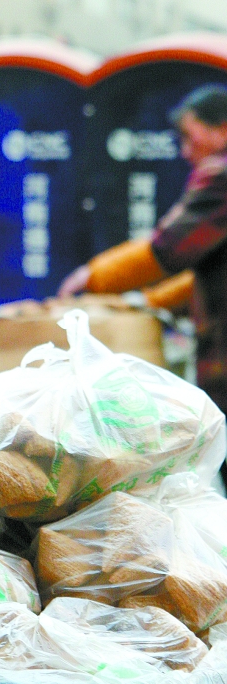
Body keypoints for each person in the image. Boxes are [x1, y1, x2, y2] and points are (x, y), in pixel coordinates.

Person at [58, 84, 227, 435]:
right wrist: (147, 303)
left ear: (222, 129)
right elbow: (204, 269)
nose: (185, 151)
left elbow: (167, 250)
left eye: (190, 137)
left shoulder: (222, 177)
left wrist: (92, 277)